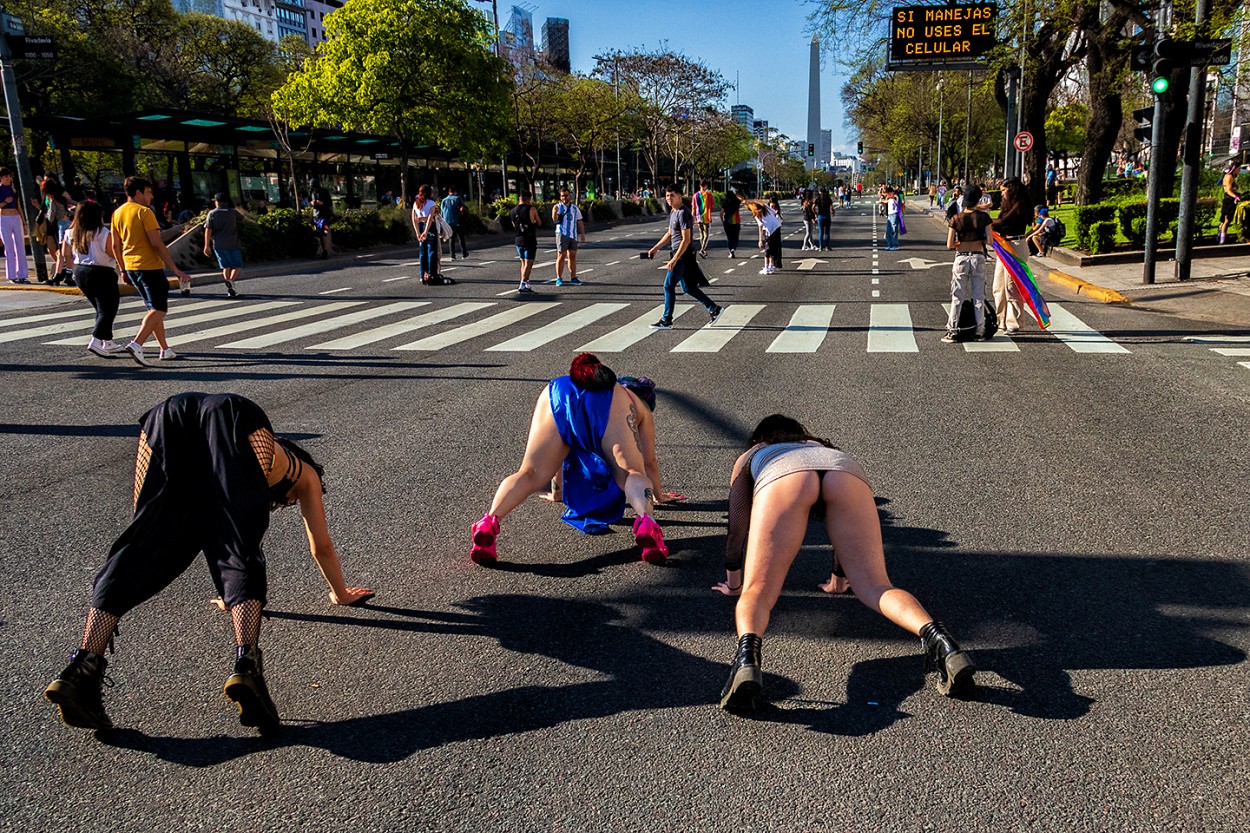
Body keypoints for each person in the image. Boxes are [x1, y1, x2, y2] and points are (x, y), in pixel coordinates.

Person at [43, 392, 374, 735]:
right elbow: (321, 546)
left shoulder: (255, 458)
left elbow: (201, 525)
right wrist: (341, 593)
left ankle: (82, 667)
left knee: (142, 543)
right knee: (237, 540)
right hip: (234, 414)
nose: (284, 503)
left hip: (168, 413)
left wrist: (230, 594)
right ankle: (247, 665)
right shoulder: (306, 476)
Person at [713, 414, 976, 713]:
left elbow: (737, 529)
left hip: (782, 476)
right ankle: (941, 641)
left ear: (760, 438)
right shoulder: (822, 446)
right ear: (800, 434)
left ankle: (747, 660)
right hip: (843, 470)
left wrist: (735, 583)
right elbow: (838, 527)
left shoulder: (752, 454)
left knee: (758, 589)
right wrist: (839, 578)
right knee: (877, 585)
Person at [469, 354, 670, 565]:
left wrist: (557, 493)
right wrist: (658, 495)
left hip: (557, 392)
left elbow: (564, 443)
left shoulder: (581, 385)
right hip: (610, 405)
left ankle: (489, 522)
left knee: (530, 473)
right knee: (631, 473)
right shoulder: (634, 401)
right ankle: (646, 522)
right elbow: (649, 461)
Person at [109, 176, 191, 367]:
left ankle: (165, 348)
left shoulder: (117, 213)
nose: (151, 196)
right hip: (149, 266)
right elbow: (156, 243)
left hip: (131, 266)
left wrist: (122, 269)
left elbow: (115, 245)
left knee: (152, 308)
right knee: (159, 309)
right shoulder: (144, 212)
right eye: (148, 192)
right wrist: (176, 269)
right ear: (138, 193)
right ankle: (137, 343)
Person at [646, 183, 723, 330]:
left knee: (668, 286)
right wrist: (656, 248)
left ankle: (666, 320)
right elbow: (670, 233)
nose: (669, 198)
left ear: (680, 196)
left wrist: (674, 260)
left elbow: (686, 239)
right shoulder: (674, 212)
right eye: (667, 196)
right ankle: (714, 309)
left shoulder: (683, 213)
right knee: (688, 288)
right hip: (680, 254)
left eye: (672, 195)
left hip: (682, 255)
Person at [59, 200, 124, 357]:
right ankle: (95, 340)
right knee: (109, 309)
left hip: (80, 271)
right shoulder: (102, 232)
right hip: (102, 272)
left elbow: (65, 254)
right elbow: (111, 252)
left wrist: (71, 268)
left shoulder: (71, 232)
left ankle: (107, 341)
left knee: (100, 308)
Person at [942, 184, 993, 343]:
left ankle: (952, 330)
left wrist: (960, 242)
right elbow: (990, 240)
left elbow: (950, 244)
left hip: (961, 257)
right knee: (979, 296)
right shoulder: (984, 217)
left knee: (957, 296)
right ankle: (980, 331)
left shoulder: (956, 219)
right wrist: (980, 240)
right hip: (978, 256)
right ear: (978, 199)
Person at [991, 177, 1032, 334]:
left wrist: (981, 220)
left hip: (1016, 245)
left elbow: (1003, 222)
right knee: (999, 285)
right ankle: (1000, 320)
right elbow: (1001, 221)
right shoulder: (1007, 205)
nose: (1002, 194)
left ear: (1012, 189)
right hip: (1004, 245)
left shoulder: (1020, 205)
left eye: (1004, 190)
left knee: (1011, 285)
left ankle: (1014, 322)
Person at [204, 192, 243, 298]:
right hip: (234, 243)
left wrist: (206, 245)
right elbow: (242, 219)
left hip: (219, 244)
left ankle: (230, 285)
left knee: (225, 266)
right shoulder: (233, 212)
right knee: (237, 266)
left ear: (217, 202)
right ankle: (231, 282)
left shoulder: (212, 213)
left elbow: (208, 230)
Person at [411, 184, 451, 285]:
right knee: (432, 251)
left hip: (420, 225)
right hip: (430, 228)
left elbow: (414, 218)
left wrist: (418, 232)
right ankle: (431, 274)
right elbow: (430, 218)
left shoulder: (416, 204)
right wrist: (426, 231)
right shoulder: (431, 203)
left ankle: (422, 275)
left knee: (422, 252)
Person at [41, 175, 75, 285]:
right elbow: (72, 206)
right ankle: (60, 274)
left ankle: (65, 274)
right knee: (62, 252)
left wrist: (47, 215)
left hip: (61, 226)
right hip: (68, 224)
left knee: (64, 251)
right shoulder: (62, 199)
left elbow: (51, 217)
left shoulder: (53, 202)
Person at [510, 190, 542, 294]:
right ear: (529, 199)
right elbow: (539, 222)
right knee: (529, 263)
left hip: (518, 239)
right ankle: (522, 284)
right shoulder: (531, 209)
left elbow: (514, 225)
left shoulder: (512, 211)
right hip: (529, 239)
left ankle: (526, 283)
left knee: (523, 263)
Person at [552, 188, 585, 286]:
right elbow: (554, 220)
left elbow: (580, 221)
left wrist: (582, 234)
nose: (564, 197)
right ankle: (559, 278)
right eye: (562, 196)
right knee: (561, 256)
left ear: (569, 196)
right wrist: (554, 213)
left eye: (566, 195)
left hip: (573, 234)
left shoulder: (574, 208)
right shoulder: (558, 207)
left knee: (572, 256)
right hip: (562, 234)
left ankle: (573, 277)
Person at [0, 168, 28, 284]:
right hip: (4, 217)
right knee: (9, 247)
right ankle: (11, 276)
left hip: (16, 216)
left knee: (20, 246)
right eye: (5, 176)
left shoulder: (13, 189)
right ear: (1, 178)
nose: (8, 179)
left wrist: (24, 221)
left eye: (9, 176)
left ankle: (22, 274)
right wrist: (5, 202)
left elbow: (19, 205)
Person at [744, 199, 782, 274]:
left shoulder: (756, 213)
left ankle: (766, 268)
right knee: (773, 248)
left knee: (767, 249)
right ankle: (771, 266)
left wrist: (760, 240)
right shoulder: (765, 206)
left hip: (770, 230)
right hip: (777, 227)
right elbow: (774, 212)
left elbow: (760, 226)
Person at [441, 186, 469, 260]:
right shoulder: (457, 198)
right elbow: (463, 208)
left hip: (448, 222)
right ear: (455, 192)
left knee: (451, 239)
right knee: (461, 238)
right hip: (457, 221)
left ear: (449, 192)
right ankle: (464, 253)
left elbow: (442, 213)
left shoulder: (443, 200)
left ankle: (452, 256)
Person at [1219, 159, 1240, 244]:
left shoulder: (1231, 176)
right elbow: (1228, 190)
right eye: (1239, 168)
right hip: (1229, 199)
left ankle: (1219, 237)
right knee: (1226, 221)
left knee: (1223, 221)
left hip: (1230, 198)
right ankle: (1222, 240)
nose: (1239, 170)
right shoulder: (1229, 177)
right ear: (1235, 168)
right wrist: (1236, 197)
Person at [311, 184, 333, 258]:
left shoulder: (324, 192)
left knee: (324, 232)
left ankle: (325, 251)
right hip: (317, 216)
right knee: (319, 233)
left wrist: (322, 203)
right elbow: (310, 202)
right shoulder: (312, 192)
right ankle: (322, 251)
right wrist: (312, 203)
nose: (314, 189)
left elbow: (330, 203)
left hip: (325, 216)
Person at [694, 180, 714, 258]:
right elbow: (712, 206)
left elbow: (693, 208)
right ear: (705, 186)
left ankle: (703, 250)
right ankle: (702, 249)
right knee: (706, 235)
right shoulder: (709, 195)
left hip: (699, 217)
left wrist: (693, 217)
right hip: (706, 217)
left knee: (701, 234)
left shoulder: (695, 195)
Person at [721, 187, 742, 258]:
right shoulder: (737, 201)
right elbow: (742, 199)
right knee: (735, 237)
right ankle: (733, 248)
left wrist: (722, 221)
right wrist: (736, 194)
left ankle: (731, 250)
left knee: (729, 238)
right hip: (736, 222)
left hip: (727, 222)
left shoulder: (725, 201)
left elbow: (721, 212)